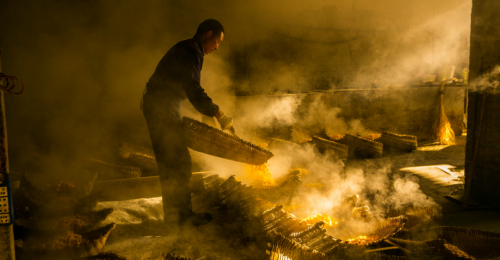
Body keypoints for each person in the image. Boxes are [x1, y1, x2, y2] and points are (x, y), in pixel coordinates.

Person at [142, 19, 233, 227]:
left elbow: (183, 87)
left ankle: (177, 216)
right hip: (161, 109)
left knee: (174, 163)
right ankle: (180, 219)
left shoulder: (186, 48)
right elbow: (193, 88)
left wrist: (203, 114)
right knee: (177, 162)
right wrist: (218, 114)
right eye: (217, 42)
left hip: (160, 107)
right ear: (208, 35)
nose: (217, 47)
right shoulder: (191, 51)